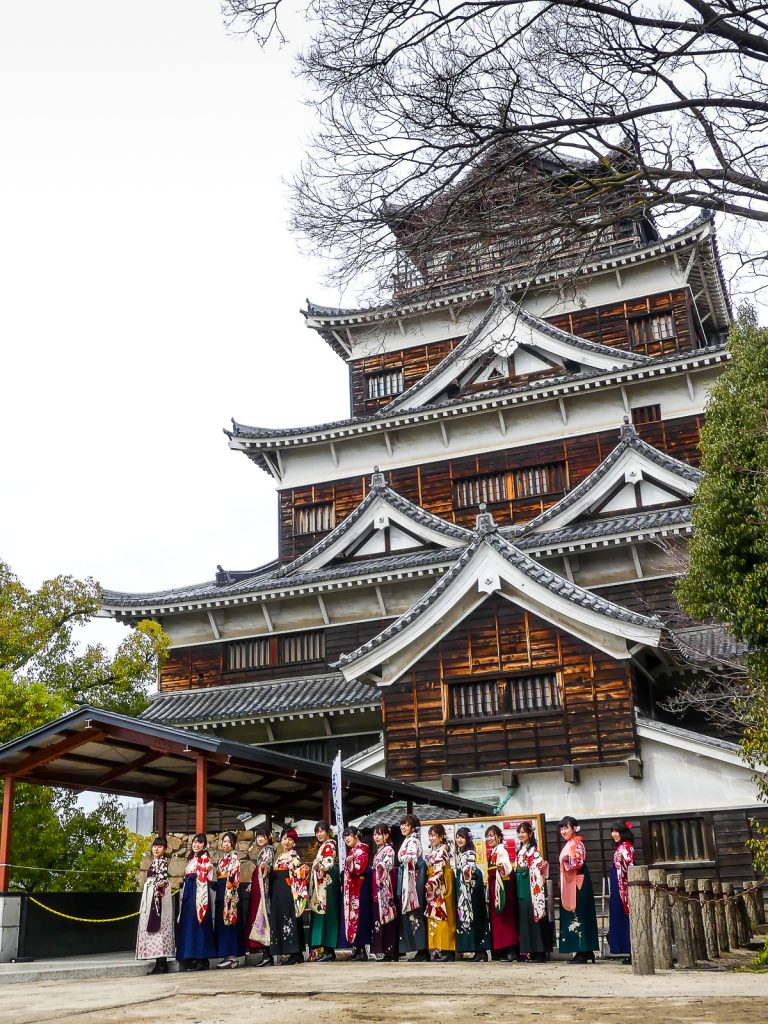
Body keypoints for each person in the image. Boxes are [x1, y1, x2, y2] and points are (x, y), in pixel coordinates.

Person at [558, 816, 599, 964]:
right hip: (571, 881)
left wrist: (567, 860)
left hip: (577, 882)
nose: (563, 831)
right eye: (561, 828)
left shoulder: (577, 843)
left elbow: (578, 861)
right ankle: (583, 951)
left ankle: (583, 950)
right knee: (576, 913)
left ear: (574, 828)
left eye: (566, 828)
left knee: (579, 913)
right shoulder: (570, 843)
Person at [268, 827, 308, 965]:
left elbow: (298, 873)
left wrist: (302, 870)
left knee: (289, 918)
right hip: (278, 890)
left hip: (288, 890)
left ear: (294, 842)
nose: (286, 841)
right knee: (282, 918)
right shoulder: (280, 856)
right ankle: (290, 952)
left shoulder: (293, 856)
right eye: (284, 838)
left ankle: (295, 952)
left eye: (290, 839)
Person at [176, 832, 216, 971]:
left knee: (199, 922)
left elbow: (208, 874)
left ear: (204, 845)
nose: (196, 844)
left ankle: (202, 958)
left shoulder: (205, 858)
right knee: (189, 924)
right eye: (194, 842)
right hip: (189, 892)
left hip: (199, 893)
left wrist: (206, 869)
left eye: (199, 842)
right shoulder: (192, 859)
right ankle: (189, 956)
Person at [136, 835, 175, 974]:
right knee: (156, 928)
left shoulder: (162, 862)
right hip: (152, 894)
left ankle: (162, 963)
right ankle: (159, 962)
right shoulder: (155, 862)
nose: (156, 849)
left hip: (157, 897)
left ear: (164, 849)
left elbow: (163, 880)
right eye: (155, 846)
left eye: (160, 846)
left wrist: (158, 887)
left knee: (159, 928)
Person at [514, 822, 551, 963]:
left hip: (531, 886)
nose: (521, 835)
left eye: (524, 832)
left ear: (530, 834)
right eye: (519, 832)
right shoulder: (521, 850)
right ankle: (529, 951)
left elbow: (540, 865)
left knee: (534, 915)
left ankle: (539, 952)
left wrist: (532, 868)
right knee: (525, 917)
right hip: (521, 885)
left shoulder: (534, 851)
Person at [454, 826, 490, 963]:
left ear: (468, 839)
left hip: (471, 889)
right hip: (464, 887)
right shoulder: (462, 853)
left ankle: (480, 950)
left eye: (462, 837)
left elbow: (471, 868)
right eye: (458, 837)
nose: (459, 840)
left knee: (474, 916)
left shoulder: (469, 853)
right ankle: (473, 949)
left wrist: (466, 870)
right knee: (467, 916)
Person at [397, 813, 428, 961]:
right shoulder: (408, 840)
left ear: (413, 827)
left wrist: (404, 859)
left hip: (413, 879)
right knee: (410, 913)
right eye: (402, 824)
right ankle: (419, 949)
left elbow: (411, 858)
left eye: (407, 824)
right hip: (407, 877)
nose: (403, 827)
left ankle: (422, 949)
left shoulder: (413, 841)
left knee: (415, 912)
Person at [485, 825, 519, 961]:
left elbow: (507, 867)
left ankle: (510, 949)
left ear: (499, 837)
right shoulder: (494, 851)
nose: (489, 838)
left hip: (502, 886)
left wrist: (501, 868)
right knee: (498, 919)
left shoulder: (501, 851)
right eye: (487, 836)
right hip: (495, 885)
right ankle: (501, 950)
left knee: (505, 917)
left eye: (492, 835)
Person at [424, 824, 457, 962]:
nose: (431, 838)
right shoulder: (436, 850)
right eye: (430, 835)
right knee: (436, 917)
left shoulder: (443, 850)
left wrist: (431, 883)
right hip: (435, 884)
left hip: (442, 882)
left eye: (434, 835)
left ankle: (448, 949)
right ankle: (440, 948)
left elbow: (438, 870)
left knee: (445, 915)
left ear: (441, 837)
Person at [309, 820, 340, 962]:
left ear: (328, 832)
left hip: (327, 881)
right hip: (322, 882)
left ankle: (329, 949)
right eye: (317, 831)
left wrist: (318, 865)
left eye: (322, 831)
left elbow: (327, 863)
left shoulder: (330, 845)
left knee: (327, 914)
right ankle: (325, 949)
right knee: (322, 913)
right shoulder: (324, 846)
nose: (319, 834)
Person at [245, 825, 274, 966]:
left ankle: (268, 953)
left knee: (264, 917)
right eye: (258, 836)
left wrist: (263, 868)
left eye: (262, 836)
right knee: (259, 917)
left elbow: (267, 867)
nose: (260, 838)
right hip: (258, 885)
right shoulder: (262, 851)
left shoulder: (269, 851)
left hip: (264, 887)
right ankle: (266, 952)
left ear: (268, 837)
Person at [342, 826, 372, 960]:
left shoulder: (361, 850)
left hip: (360, 887)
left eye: (348, 835)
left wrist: (351, 864)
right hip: (353, 887)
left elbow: (358, 870)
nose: (346, 838)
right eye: (344, 837)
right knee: (354, 917)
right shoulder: (354, 851)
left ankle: (361, 948)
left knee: (361, 916)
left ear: (356, 835)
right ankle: (357, 947)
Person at [214, 831, 244, 968]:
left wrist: (229, 895)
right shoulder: (222, 859)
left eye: (228, 841)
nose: (226, 844)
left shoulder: (234, 858)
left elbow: (233, 877)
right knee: (222, 923)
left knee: (230, 921)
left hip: (230, 893)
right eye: (224, 841)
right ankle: (226, 955)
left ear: (233, 844)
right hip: (221, 890)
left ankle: (232, 956)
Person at [608, 820, 635, 964]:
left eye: (617, 831)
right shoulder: (622, 847)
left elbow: (630, 865)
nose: (614, 834)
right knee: (622, 917)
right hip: (618, 885)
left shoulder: (626, 846)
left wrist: (622, 861)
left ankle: (632, 950)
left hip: (623, 888)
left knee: (626, 917)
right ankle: (630, 950)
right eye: (612, 831)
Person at [371, 822, 398, 961]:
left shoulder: (389, 850)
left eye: (379, 834)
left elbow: (387, 865)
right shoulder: (378, 852)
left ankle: (390, 951)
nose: (376, 837)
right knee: (379, 920)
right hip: (378, 888)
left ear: (386, 835)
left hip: (386, 889)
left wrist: (380, 867)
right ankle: (383, 950)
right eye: (375, 834)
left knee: (388, 919)